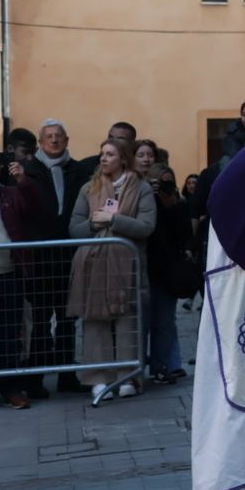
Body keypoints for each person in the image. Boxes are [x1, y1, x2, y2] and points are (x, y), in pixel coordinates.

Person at [68, 137, 156, 402]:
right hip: (94, 266)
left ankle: (128, 376)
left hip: (127, 266)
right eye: (102, 153)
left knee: (128, 319)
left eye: (109, 154)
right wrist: (95, 225)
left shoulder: (141, 188)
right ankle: (98, 379)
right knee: (95, 322)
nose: (103, 158)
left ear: (123, 159)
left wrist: (114, 220)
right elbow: (74, 228)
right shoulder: (89, 188)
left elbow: (146, 226)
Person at [22, 119, 93, 394]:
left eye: (58, 136)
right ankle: (36, 380)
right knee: (40, 320)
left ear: (66, 140)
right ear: (40, 143)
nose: (54, 140)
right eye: (48, 137)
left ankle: (67, 377)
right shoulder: (27, 172)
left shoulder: (80, 171)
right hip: (39, 257)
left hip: (69, 257)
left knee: (67, 319)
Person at [0, 149, 43, 411]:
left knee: (8, 335)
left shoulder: (11, 193)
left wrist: (23, 181)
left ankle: (9, 388)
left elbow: (34, 207)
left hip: (10, 272)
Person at [143, 163, 192, 383]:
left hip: (166, 270)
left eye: (167, 181)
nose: (163, 185)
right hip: (143, 267)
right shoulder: (141, 199)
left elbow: (183, 234)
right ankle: (136, 370)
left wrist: (170, 205)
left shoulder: (178, 205)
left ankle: (162, 366)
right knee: (141, 323)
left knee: (164, 321)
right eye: (158, 181)